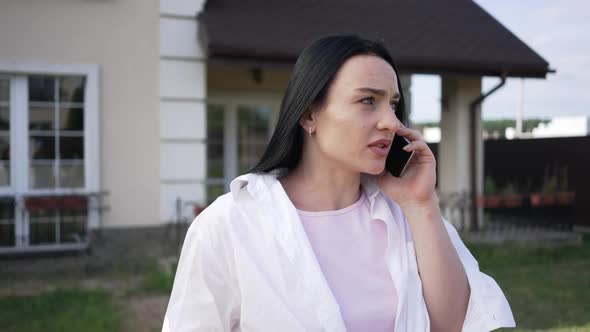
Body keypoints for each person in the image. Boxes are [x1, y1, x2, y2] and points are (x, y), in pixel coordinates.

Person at [162, 34, 515, 332]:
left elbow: (453, 325)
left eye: (393, 104)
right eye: (367, 101)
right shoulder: (231, 222)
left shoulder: (407, 215)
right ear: (309, 114)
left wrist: (421, 204)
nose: (390, 121)